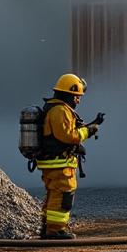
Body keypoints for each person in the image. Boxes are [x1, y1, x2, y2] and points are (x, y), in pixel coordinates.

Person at [36, 74, 103, 239]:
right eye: (77, 97)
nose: (78, 101)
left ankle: (48, 227)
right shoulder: (60, 110)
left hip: (54, 161)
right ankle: (56, 230)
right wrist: (89, 131)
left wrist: (92, 124)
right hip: (59, 162)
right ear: (70, 93)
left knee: (54, 194)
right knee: (64, 194)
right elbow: (68, 136)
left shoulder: (55, 108)